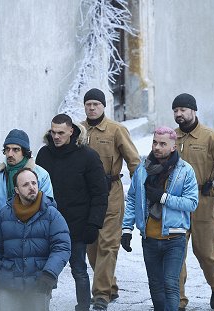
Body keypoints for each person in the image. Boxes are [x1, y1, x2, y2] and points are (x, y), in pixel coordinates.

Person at [121, 126, 198, 311]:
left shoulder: (185, 170)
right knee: (155, 286)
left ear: (173, 147)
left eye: (163, 144)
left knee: (171, 284)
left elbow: (192, 203)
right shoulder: (142, 169)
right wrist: (126, 229)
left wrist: (163, 198)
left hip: (175, 238)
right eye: (155, 142)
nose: (157, 147)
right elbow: (132, 198)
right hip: (149, 237)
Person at [36, 113, 108, 311]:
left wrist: (94, 223)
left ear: (71, 131)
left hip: (77, 225)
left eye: (60, 132)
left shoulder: (88, 156)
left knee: (79, 269)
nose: (56, 136)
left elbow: (100, 193)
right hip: (48, 225)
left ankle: (83, 307)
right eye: (53, 132)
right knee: (46, 271)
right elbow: (37, 189)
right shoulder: (44, 154)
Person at [171, 93, 214, 310]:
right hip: (176, 202)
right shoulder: (172, 137)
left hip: (203, 202)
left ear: (193, 110)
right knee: (175, 251)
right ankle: (177, 299)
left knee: (206, 251)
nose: (179, 114)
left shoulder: (210, 137)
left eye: (183, 110)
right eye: (176, 110)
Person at [81, 88, 141, 310]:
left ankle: (101, 295)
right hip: (86, 196)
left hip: (111, 193)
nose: (92, 107)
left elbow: (134, 161)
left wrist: (139, 190)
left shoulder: (116, 130)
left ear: (104, 106)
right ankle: (110, 286)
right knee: (92, 246)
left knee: (108, 244)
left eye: (96, 104)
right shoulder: (78, 130)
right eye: (88, 104)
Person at [0, 168, 71, 311]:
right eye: (25, 185)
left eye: (34, 183)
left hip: (39, 283)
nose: (31, 188)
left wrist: (49, 273)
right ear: (16, 190)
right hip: (8, 283)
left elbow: (62, 247)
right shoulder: (4, 215)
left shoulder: (51, 214)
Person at [0, 129, 54, 225]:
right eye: (7, 149)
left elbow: (47, 206)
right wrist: (0, 224)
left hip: (31, 233)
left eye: (16, 149)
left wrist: (27, 228)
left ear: (25, 152)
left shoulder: (41, 175)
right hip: (4, 232)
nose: (10, 154)